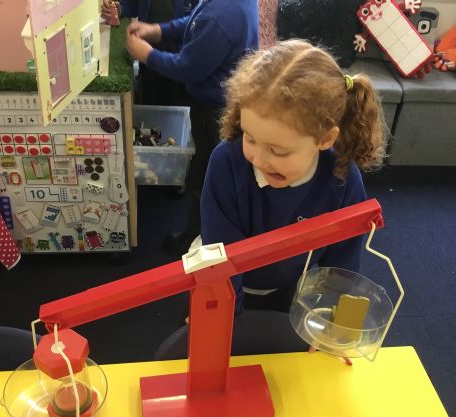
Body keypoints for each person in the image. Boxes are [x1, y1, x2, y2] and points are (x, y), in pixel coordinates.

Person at [200, 39, 387, 315]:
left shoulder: (342, 180)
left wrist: (331, 318)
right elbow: (220, 253)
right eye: (250, 138)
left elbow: (342, 264)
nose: (259, 160)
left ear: (325, 139)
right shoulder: (226, 163)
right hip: (221, 284)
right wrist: (227, 316)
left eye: (278, 151)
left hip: (287, 286)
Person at [124, 1, 259, 254]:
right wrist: (158, 30)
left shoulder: (222, 15)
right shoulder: (221, 8)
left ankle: (198, 240)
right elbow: (196, 23)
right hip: (218, 103)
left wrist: (146, 54)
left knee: (205, 178)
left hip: (214, 111)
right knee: (210, 170)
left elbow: (187, 68)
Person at [101, 0, 197, 105]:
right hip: (148, 56)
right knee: (151, 99)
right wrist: (121, 9)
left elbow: (198, 20)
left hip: (180, 60)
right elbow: (133, 4)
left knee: (180, 104)